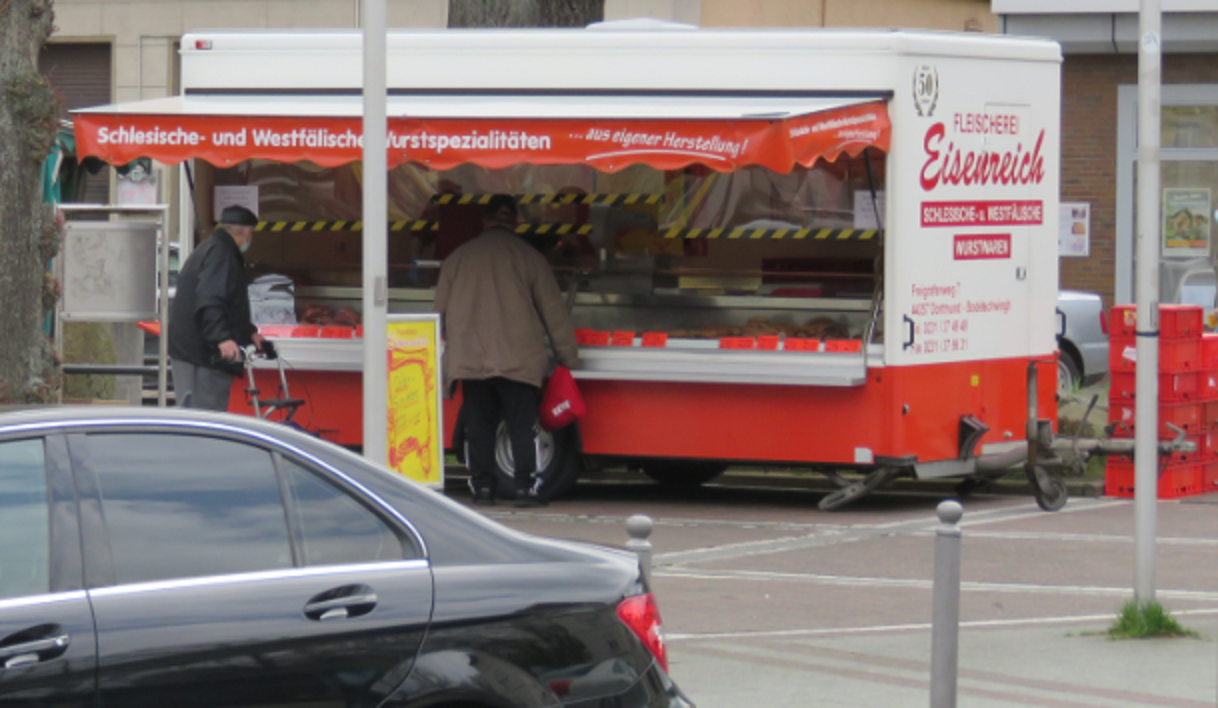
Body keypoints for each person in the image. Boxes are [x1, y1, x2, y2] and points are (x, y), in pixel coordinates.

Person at [434, 195, 580, 508]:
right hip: (518, 359)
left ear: (484, 221)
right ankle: (525, 488)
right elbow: (554, 312)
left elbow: (438, 314)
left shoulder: (458, 258)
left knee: (480, 425)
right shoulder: (531, 258)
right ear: (515, 221)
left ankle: (483, 489)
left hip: (471, 359)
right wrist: (567, 356)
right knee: (521, 425)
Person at [169, 205, 267, 411]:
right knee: (203, 417)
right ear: (247, 232)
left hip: (192, 350)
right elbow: (210, 298)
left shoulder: (212, 247)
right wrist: (221, 338)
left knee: (195, 415)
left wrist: (248, 333)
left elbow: (227, 302)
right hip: (201, 356)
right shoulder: (222, 253)